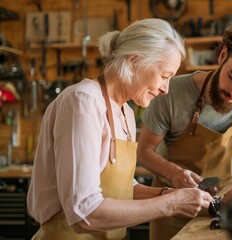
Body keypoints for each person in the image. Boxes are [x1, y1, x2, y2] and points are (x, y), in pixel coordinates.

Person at [27, 18, 213, 240]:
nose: (166, 89)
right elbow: (83, 213)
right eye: (164, 76)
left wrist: (172, 194)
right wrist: (170, 204)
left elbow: (122, 188)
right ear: (133, 61)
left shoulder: (124, 111)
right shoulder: (83, 102)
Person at [137, 23, 232, 240]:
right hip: (173, 205)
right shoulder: (171, 92)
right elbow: (144, 151)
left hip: (225, 205)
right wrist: (175, 174)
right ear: (222, 56)